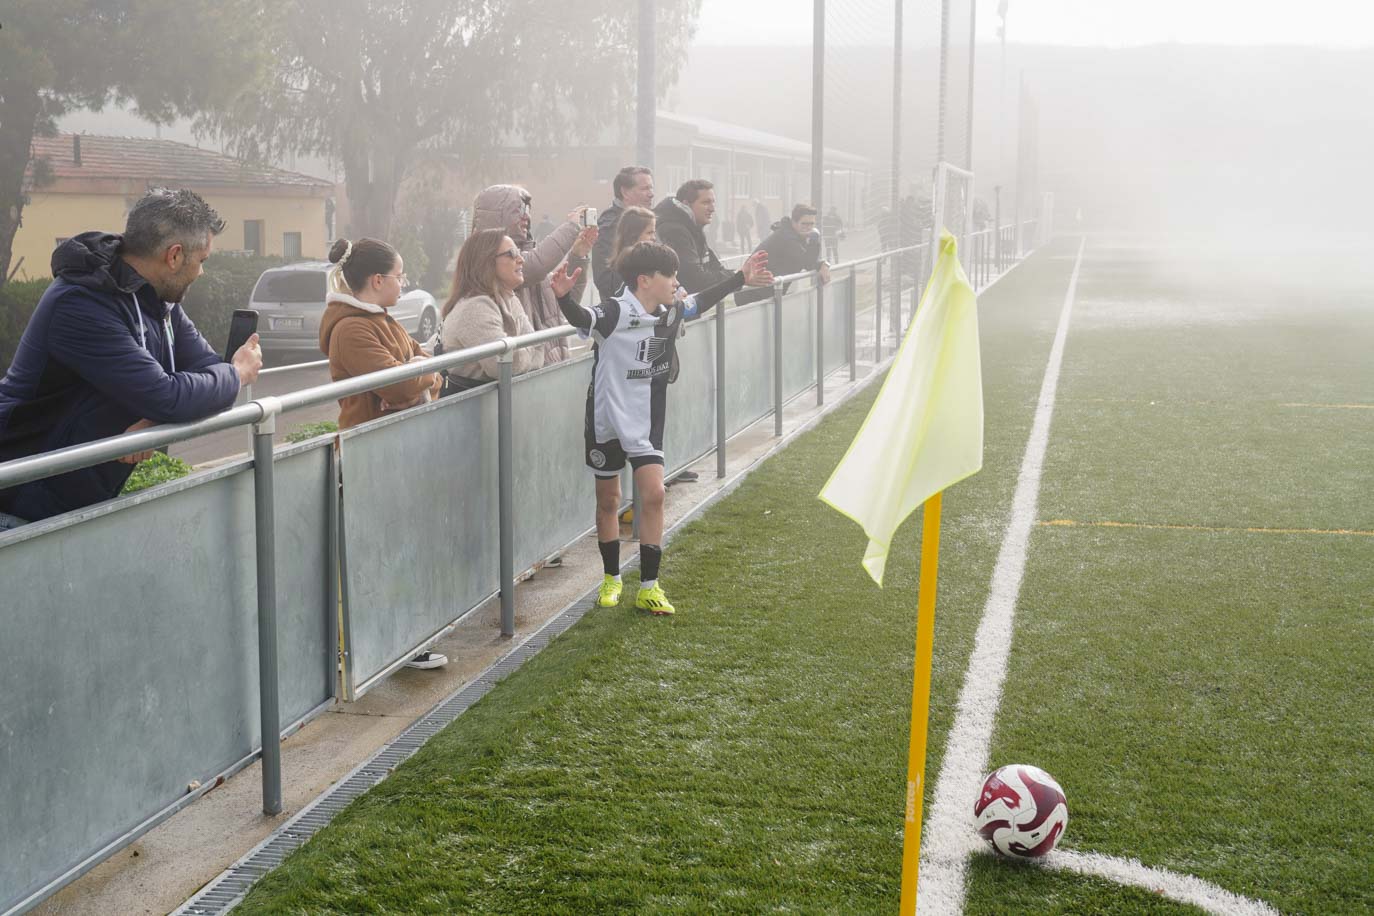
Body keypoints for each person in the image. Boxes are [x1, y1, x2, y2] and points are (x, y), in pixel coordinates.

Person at [0, 187, 262, 527]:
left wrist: (153, 419)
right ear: (175, 255)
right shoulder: (80, 305)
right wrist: (237, 374)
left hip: (71, 496)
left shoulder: (159, 301)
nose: (201, 273)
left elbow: (205, 369)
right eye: (202, 261)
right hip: (18, 498)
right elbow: (172, 395)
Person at [553, 241, 771, 616]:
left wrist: (739, 278)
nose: (676, 281)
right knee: (608, 500)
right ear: (644, 280)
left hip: (646, 421)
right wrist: (563, 298)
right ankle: (611, 578)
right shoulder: (615, 311)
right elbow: (581, 318)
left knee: (653, 494)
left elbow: (700, 302)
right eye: (669, 275)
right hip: (606, 419)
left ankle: (649, 587)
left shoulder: (670, 310)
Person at [318, 235, 446, 669]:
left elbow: (425, 366)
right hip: (368, 451)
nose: (403, 282)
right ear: (377, 279)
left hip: (392, 449)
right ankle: (361, 650)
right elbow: (400, 383)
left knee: (397, 547)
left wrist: (419, 376)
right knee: (372, 554)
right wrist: (417, 377)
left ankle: (399, 642)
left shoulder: (381, 320)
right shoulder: (353, 328)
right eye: (399, 275)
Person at [470, 185, 595, 364]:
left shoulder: (534, 261)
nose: (526, 216)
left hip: (551, 373)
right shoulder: (490, 262)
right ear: (498, 215)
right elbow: (534, 266)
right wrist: (572, 227)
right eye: (518, 209)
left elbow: (565, 306)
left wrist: (578, 255)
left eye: (528, 209)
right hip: (524, 378)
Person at [437, 229, 544, 390]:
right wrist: (526, 353)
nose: (521, 259)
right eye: (512, 253)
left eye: (519, 252)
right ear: (486, 261)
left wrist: (522, 353)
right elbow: (508, 366)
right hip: (470, 411)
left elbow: (539, 349)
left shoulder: (509, 298)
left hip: (491, 410)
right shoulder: (474, 308)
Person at [737, 203, 831, 305]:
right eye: (804, 224)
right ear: (794, 222)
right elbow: (808, 263)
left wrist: (823, 263)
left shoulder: (791, 235)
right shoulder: (786, 238)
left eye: (811, 224)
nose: (808, 228)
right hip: (753, 295)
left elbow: (806, 259)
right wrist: (814, 240)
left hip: (764, 292)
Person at [592, 166, 654, 301]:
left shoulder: (648, 221)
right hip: (626, 315)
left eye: (651, 188)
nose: (651, 194)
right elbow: (606, 282)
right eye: (644, 188)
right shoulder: (610, 227)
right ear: (625, 192)